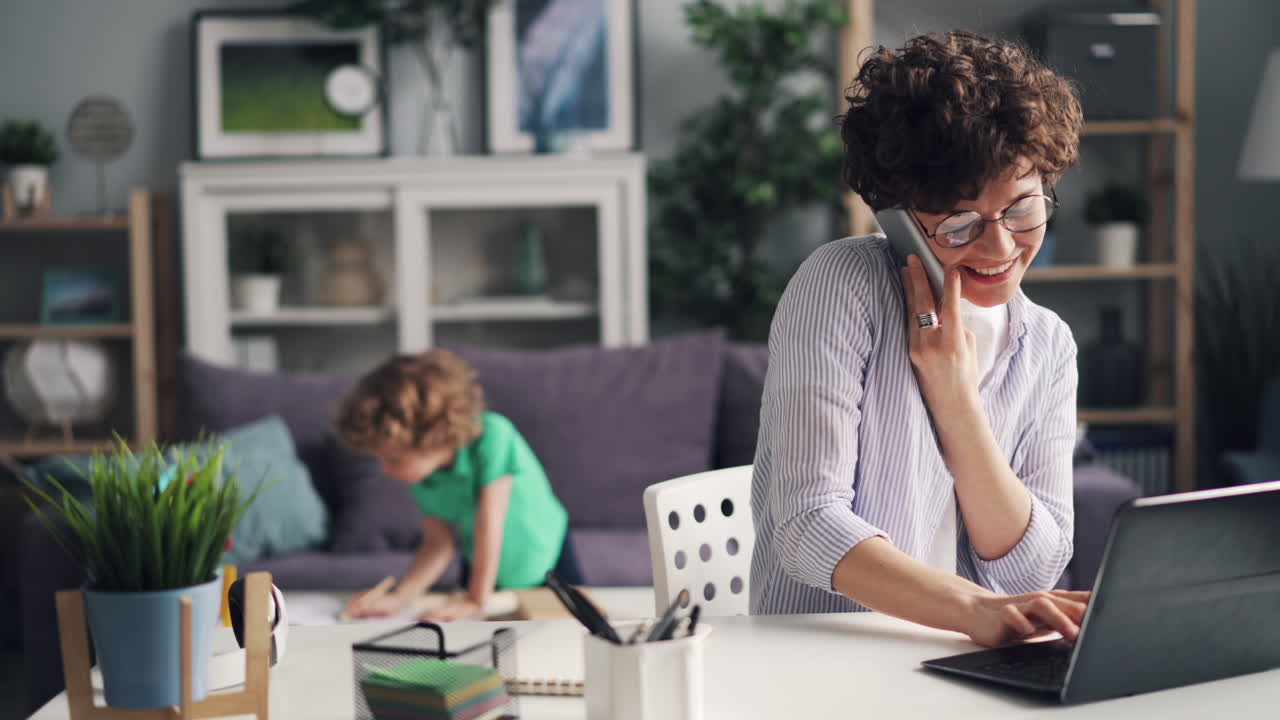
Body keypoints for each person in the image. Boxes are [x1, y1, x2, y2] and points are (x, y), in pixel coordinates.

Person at [750, 30, 1090, 648]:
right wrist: (970, 609)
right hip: (821, 659)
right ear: (898, 219)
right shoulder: (840, 288)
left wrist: (955, 395)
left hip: (953, 660)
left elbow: (1030, 567)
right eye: (959, 223)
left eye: (1022, 208)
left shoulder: (1047, 344)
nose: (999, 247)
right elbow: (805, 525)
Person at [335, 349, 577, 621]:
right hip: (484, 569)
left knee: (566, 635)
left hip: (546, 559)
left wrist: (476, 599)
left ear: (435, 437)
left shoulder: (493, 436)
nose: (385, 469)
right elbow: (438, 543)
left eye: (393, 459)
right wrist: (400, 598)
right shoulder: (425, 475)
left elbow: (490, 522)